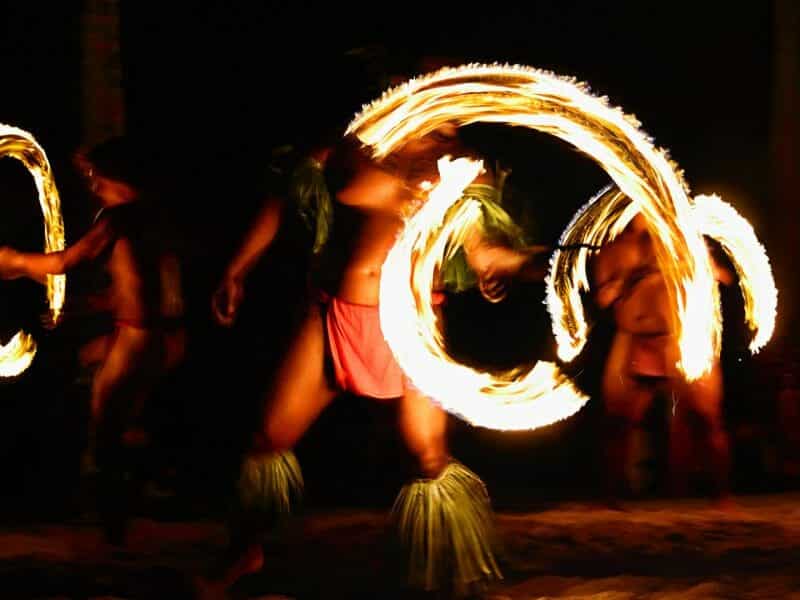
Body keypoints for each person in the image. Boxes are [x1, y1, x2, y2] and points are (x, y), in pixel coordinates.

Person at [202, 83, 549, 598]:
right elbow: (285, 202)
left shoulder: (459, 165)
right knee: (268, 438)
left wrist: (516, 264)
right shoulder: (348, 148)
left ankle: (452, 575)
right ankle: (244, 552)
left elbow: (482, 249)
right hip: (332, 316)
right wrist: (237, 269)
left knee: (428, 456)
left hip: (410, 323)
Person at [0, 136, 187, 543]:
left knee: (107, 422)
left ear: (115, 175)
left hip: (140, 339)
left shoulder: (119, 219)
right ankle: (141, 479)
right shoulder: (157, 216)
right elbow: (137, 287)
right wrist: (79, 308)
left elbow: (66, 261)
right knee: (89, 369)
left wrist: (13, 261)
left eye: (92, 173)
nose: (89, 182)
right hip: (164, 334)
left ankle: (114, 516)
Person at [590, 208, 734, 507]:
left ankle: (721, 495)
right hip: (633, 340)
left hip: (681, 340)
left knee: (707, 418)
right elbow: (603, 297)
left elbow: (723, 277)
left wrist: (697, 268)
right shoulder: (614, 249)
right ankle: (610, 496)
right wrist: (631, 278)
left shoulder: (681, 243)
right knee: (618, 422)